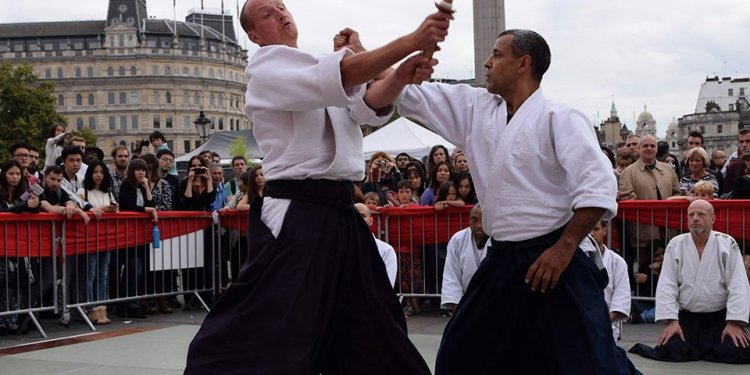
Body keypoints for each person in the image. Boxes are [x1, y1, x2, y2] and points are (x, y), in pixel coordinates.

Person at [184, 1, 450, 373]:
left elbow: (367, 105)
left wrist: (401, 75)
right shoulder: (266, 67)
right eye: (266, 13)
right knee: (269, 324)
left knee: (372, 318)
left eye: (280, 5)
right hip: (298, 210)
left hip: (339, 210)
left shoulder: (313, 65)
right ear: (254, 35)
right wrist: (410, 41)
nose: (279, 12)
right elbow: (345, 74)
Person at [365, 28, 638, 373]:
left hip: (555, 256)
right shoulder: (476, 108)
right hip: (504, 255)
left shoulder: (561, 118)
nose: (487, 62)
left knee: (587, 360)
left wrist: (565, 247)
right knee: (460, 353)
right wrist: (362, 54)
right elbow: (407, 92)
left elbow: (598, 187)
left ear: (523, 63)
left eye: (497, 55)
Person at [630, 199, 750, 363]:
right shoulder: (676, 244)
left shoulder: (727, 243)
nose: (695, 218)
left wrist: (734, 322)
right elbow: (667, 285)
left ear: (713, 219)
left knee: (735, 351)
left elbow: (738, 285)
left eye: (701, 214)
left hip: (719, 318)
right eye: (691, 215)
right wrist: (672, 321)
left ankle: (704, 347)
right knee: (673, 349)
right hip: (686, 318)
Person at [76, 160, 118, 325]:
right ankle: (91, 308)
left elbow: (115, 210)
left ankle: (102, 308)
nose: (98, 175)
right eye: (95, 172)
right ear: (90, 174)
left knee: (103, 275)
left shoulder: (108, 192)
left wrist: (112, 209)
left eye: (101, 172)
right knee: (90, 274)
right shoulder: (83, 191)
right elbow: (81, 206)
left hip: (105, 238)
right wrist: (97, 210)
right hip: (89, 239)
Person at [440, 204, 489, 318]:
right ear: (469, 219)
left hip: (492, 300)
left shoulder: (498, 240)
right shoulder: (458, 239)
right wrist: (456, 305)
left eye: (483, 221)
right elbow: (452, 273)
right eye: (474, 220)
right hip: (465, 302)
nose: (479, 226)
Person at [589, 220, 630, 340]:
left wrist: (602, 322)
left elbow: (621, 301)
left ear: (604, 231)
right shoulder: (575, 260)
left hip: (608, 325)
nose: (591, 234)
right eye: (587, 230)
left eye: (595, 229)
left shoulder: (617, 262)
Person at [355, 203, 397, 286]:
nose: (358, 219)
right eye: (354, 215)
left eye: (363, 216)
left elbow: (387, 285)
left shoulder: (386, 250)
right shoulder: (340, 248)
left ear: (371, 221)